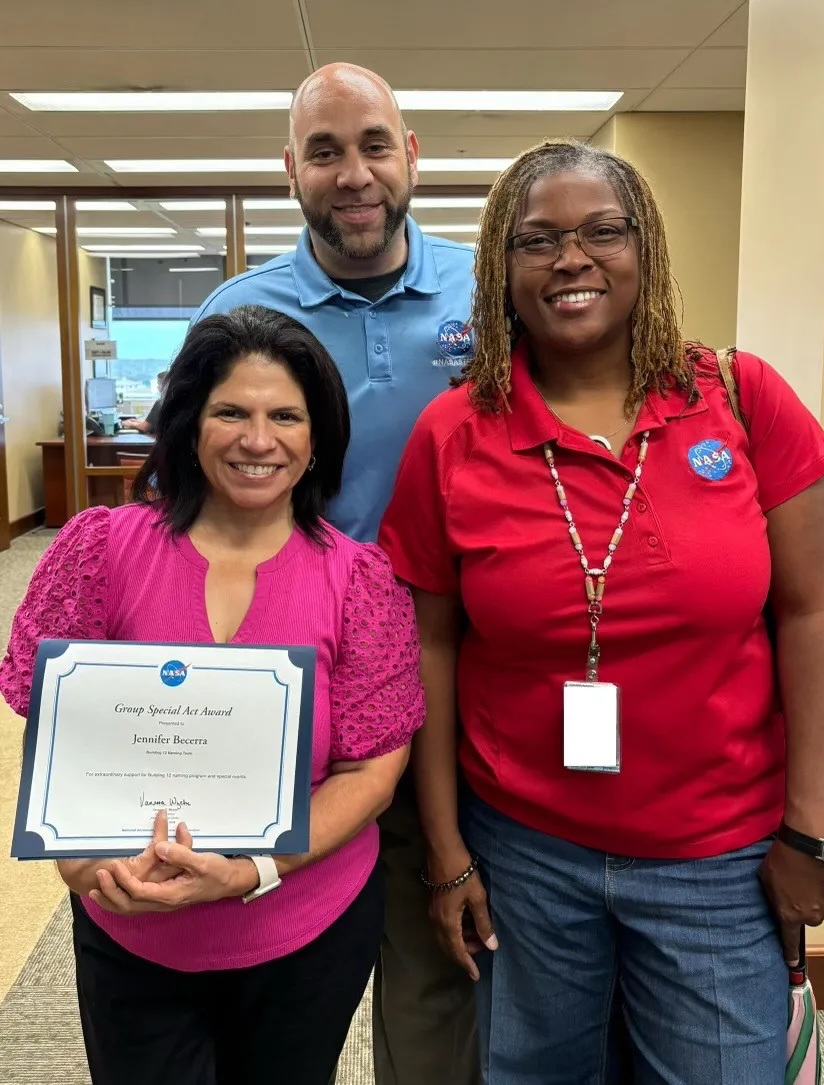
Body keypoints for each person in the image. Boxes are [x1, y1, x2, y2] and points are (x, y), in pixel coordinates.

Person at [378, 139, 824, 1084]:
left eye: (601, 232)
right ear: (500, 268)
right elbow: (427, 647)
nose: (571, 259)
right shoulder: (453, 433)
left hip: (719, 855)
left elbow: (813, 614)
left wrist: (809, 829)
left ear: (645, 250)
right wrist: (448, 853)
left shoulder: (742, 401)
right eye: (536, 240)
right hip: (524, 851)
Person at [0, 305, 424, 1085]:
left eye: (285, 416)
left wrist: (251, 870)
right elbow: (54, 720)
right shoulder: (100, 549)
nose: (257, 440)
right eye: (231, 411)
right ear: (189, 422)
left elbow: (372, 775)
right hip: (128, 925)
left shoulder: (359, 582)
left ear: (317, 435)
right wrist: (81, 860)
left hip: (304, 927)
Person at [192, 63, 481, 1085]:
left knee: (441, 956)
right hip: (292, 700)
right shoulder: (242, 312)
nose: (352, 173)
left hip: (458, 690)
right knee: (269, 963)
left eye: (371, 144)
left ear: (412, 156)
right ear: (290, 172)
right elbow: (189, 507)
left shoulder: (484, 292)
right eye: (324, 151)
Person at [120, 369, 168, 434]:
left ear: (165, 385)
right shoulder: (173, 400)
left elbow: (145, 428)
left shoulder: (161, 402)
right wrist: (137, 422)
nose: (157, 387)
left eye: (159, 384)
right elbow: (152, 425)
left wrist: (128, 424)